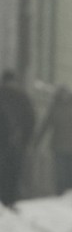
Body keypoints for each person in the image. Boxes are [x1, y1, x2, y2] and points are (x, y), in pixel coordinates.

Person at [35, 86, 72, 194]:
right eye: (62, 94)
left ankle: (71, 194)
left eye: (66, 94)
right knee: (60, 175)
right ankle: (61, 194)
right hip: (59, 148)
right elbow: (45, 126)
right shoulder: (55, 108)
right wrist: (37, 142)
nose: (64, 97)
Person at [0, 69, 36, 208]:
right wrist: (26, 139)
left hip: (2, 140)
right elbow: (30, 118)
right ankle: (9, 200)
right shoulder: (22, 96)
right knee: (14, 171)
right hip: (17, 141)